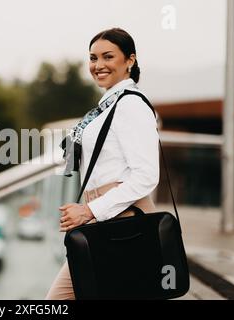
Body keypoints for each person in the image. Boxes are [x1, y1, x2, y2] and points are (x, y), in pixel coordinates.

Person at [45, 28, 160, 300]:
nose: (98, 65)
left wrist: (89, 211)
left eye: (108, 57)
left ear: (130, 60)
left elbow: (146, 175)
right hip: (104, 220)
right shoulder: (108, 106)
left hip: (123, 219)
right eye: (93, 58)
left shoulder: (131, 106)